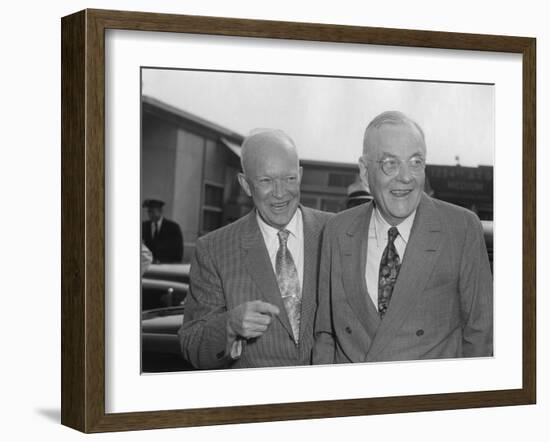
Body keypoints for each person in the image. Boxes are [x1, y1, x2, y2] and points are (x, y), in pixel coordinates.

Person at [313, 111, 493, 364]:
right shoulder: (337, 230)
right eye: (390, 163)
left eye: (416, 162)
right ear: (364, 172)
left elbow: (481, 333)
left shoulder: (461, 229)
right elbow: (325, 333)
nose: (406, 176)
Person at [179, 129, 332, 369]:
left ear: (300, 175)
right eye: (266, 181)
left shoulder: (338, 232)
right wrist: (229, 326)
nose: (280, 193)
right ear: (246, 185)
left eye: (289, 178)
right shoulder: (213, 250)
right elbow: (192, 346)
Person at [142, 199, 184, 263]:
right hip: (148, 266)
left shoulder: (173, 227)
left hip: (166, 267)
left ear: (160, 211)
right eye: (149, 212)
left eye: (153, 212)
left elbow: (178, 251)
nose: (150, 215)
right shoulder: (144, 226)